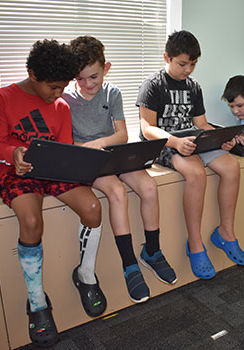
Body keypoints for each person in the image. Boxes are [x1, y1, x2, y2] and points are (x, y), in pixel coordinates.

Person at [0, 39, 102, 348]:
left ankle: (86, 275)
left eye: (63, 87)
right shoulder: (2, 97)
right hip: (16, 172)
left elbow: (63, 146)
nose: (59, 94)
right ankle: (37, 301)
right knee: (31, 222)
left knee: (92, 207)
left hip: (53, 172)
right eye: (53, 87)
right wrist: (15, 153)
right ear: (33, 74)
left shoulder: (61, 105)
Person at [62, 36, 177, 305]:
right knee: (116, 192)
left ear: (107, 68)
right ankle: (129, 265)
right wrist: (90, 148)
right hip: (88, 161)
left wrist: (98, 143)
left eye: (94, 76)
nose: (88, 84)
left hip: (113, 154)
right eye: (81, 79)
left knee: (149, 186)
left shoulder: (112, 93)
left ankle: (152, 251)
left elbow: (122, 135)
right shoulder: (66, 100)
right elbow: (68, 143)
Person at [136, 30, 244, 280]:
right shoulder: (153, 85)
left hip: (191, 141)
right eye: (182, 64)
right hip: (164, 145)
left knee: (231, 166)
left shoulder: (193, 87)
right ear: (167, 57)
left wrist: (223, 139)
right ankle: (195, 243)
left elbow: (202, 124)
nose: (188, 69)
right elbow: (147, 128)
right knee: (196, 173)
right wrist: (175, 142)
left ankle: (225, 233)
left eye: (193, 64)